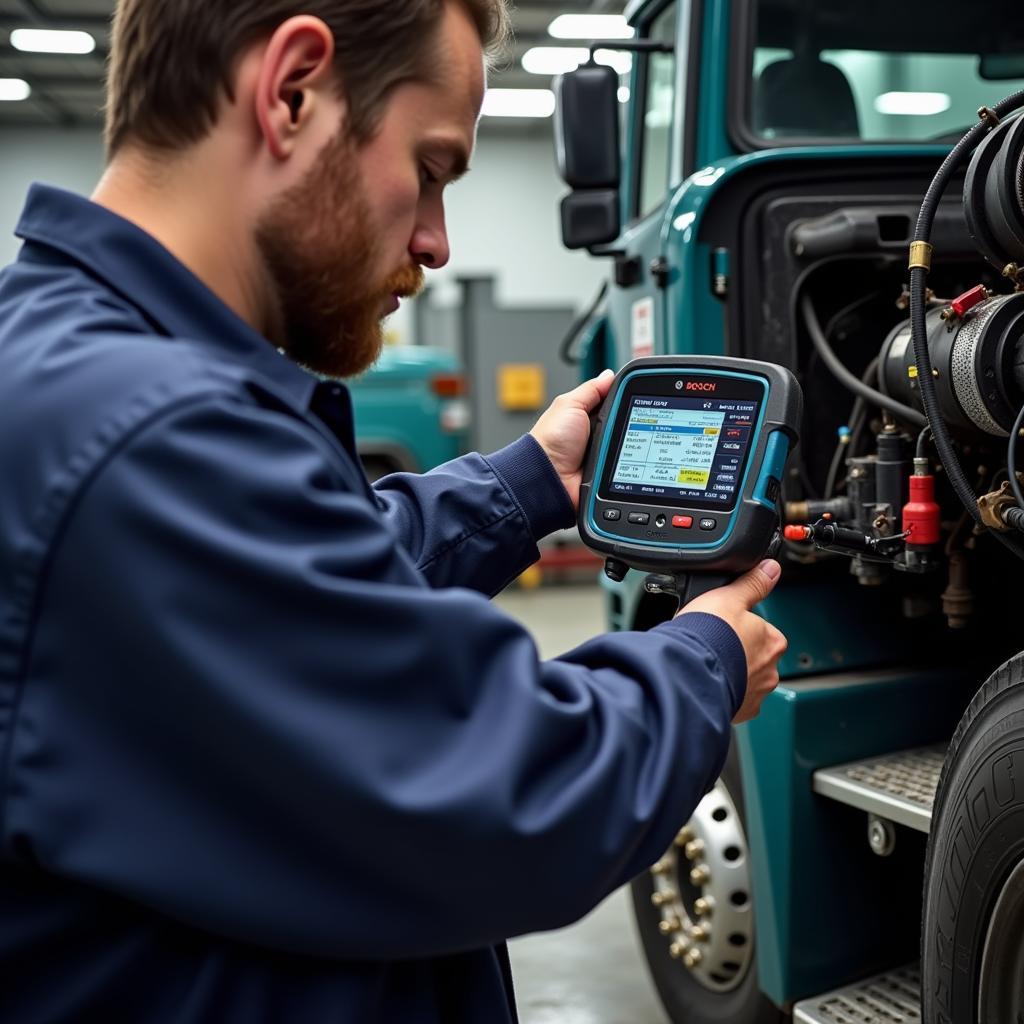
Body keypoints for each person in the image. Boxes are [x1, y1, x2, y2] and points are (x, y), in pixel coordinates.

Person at [0, 0, 788, 1020]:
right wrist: (702, 658)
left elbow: (305, 592)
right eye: (429, 168)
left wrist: (528, 481)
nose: (436, 240)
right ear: (291, 92)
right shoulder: (145, 432)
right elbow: (508, 798)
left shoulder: (69, 367)